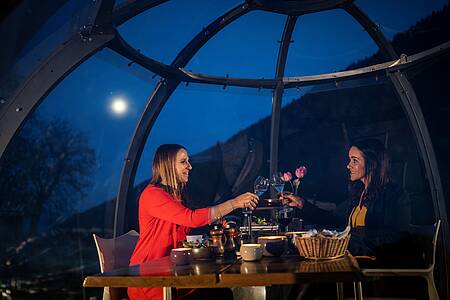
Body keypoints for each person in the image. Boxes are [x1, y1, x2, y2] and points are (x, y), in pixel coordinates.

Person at [128, 144, 259, 300]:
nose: (190, 167)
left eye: (188, 161)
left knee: (222, 293)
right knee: (218, 295)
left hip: (172, 274)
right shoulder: (153, 195)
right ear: (168, 164)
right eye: (183, 162)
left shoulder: (175, 197)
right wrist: (234, 203)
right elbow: (192, 219)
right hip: (151, 279)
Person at [280, 138, 411, 259]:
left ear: (373, 163)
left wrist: (350, 239)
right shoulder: (359, 193)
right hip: (349, 260)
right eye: (350, 160)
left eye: (355, 160)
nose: (348, 166)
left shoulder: (395, 194)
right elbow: (332, 218)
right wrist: (302, 204)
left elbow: (395, 237)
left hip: (372, 268)